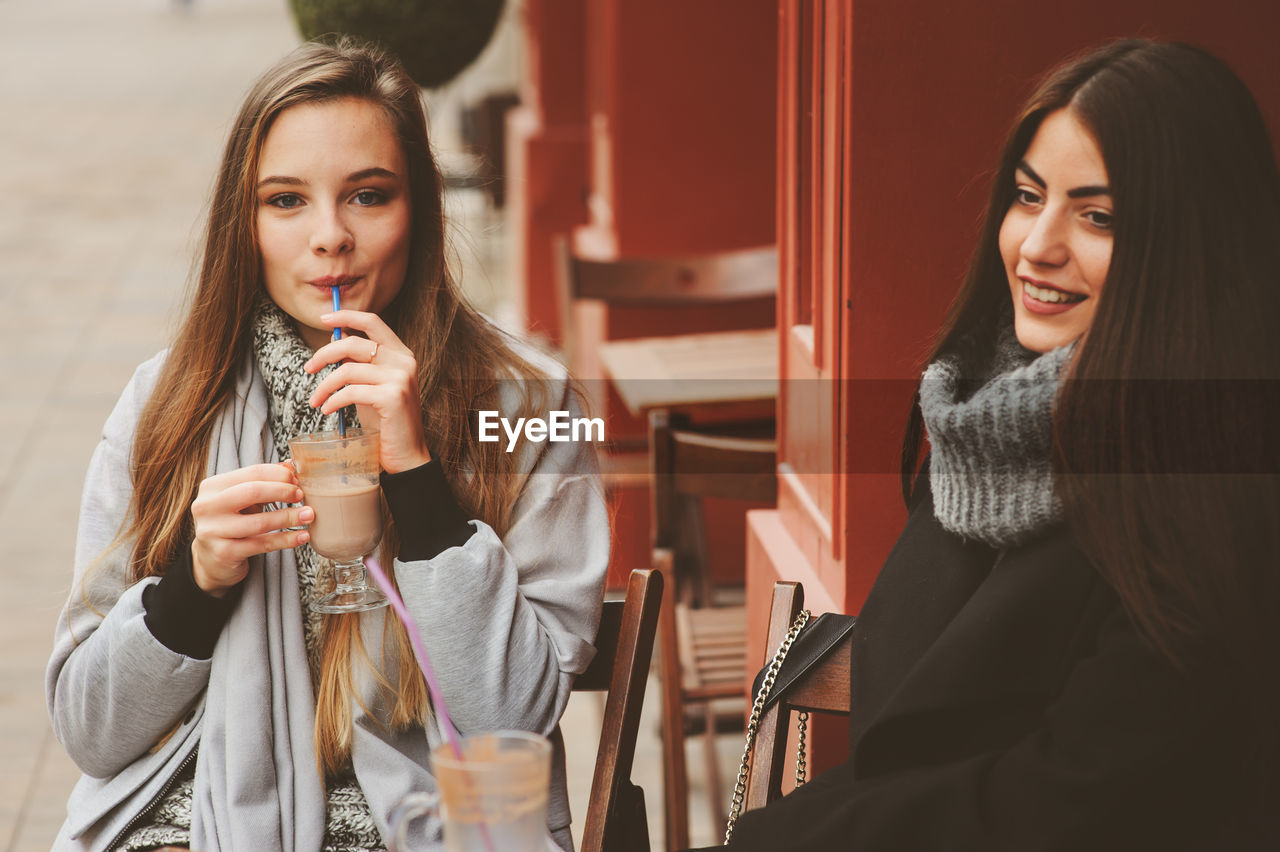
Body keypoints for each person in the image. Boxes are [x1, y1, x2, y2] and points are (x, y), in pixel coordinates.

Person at [692, 39, 1280, 851]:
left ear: (1192, 247)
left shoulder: (1208, 497)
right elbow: (914, 750)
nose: (1038, 245)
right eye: (1028, 196)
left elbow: (1062, 803)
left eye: (1099, 215)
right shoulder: (983, 432)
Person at [46, 38, 608, 852]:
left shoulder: (529, 407)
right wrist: (194, 587)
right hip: (189, 821)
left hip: (431, 825)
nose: (329, 237)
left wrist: (416, 477)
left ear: (419, 207)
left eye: (368, 196)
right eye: (285, 201)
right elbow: (91, 734)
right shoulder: (167, 404)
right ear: (244, 222)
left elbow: (509, 718)